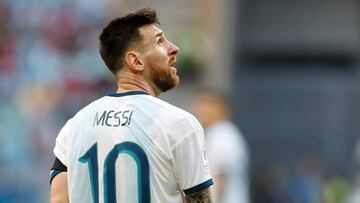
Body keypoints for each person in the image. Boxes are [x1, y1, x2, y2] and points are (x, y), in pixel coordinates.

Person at [50, 7, 213, 203]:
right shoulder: (180, 124)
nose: (174, 48)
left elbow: (59, 199)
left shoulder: (74, 126)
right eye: (160, 41)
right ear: (135, 61)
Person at [190, 90, 250, 203]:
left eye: (205, 104)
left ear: (220, 108)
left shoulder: (221, 134)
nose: (198, 110)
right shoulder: (221, 133)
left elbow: (220, 179)